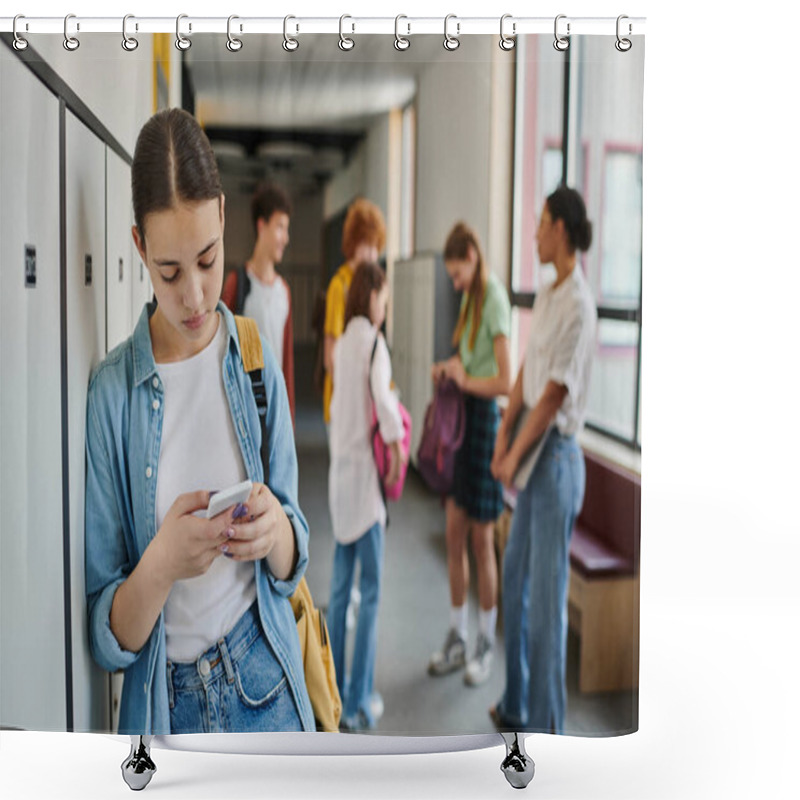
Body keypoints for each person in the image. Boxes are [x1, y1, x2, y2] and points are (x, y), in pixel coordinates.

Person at [84, 108, 314, 735]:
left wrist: (274, 533)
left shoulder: (255, 354)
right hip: (170, 709)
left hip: (266, 678)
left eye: (208, 261)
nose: (192, 295)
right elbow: (107, 640)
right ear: (139, 248)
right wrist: (160, 564)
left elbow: (296, 550)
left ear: (222, 213)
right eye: (169, 272)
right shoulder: (112, 396)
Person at [490, 186, 597, 734]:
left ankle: (547, 732)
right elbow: (529, 369)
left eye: (540, 223)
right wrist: (503, 434)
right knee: (515, 582)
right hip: (532, 458)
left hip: (555, 464)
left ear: (561, 230)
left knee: (545, 613)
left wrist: (512, 454)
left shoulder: (579, 303)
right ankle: (516, 706)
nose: (534, 233)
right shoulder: (552, 293)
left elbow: (553, 396)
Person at [428, 222, 512, 687]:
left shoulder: (495, 298)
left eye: (457, 275)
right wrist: (451, 371)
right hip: (465, 417)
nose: (454, 284)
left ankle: (484, 641)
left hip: (485, 423)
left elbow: (504, 380)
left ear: (473, 259)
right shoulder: (471, 299)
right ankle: (458, 635)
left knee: (483, 543)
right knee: (454, 533)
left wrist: (463, 380)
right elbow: (470, 366)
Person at [326, 262, 404, 731]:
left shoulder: (341, 346)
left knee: (339, 594)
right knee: (371, 593)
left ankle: (331, 696)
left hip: (340, 482)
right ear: (371, 295)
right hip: (367, 489)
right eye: (384, 296)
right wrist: (395, 447)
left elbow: (339, 408)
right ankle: (358, 703)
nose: (385, 305)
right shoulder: (374, 344)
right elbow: (384, 401)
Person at [221, 183, 296, 424]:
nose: (285, 237)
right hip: (242, 407)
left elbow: (287, 363)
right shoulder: (237, 284)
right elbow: (220, 349)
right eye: (280, 227)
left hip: (275, 409)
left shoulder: (283, 292)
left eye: (287, 229)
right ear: (261, 226)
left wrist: (289, 418)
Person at [322, 198, 387, 428]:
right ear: (353, 244)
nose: (371, 255)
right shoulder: (339, 285)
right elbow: (330, 354)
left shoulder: (372, 287)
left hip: (365, 398)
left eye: (375, 248)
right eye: (365, 246)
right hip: (344, 398)